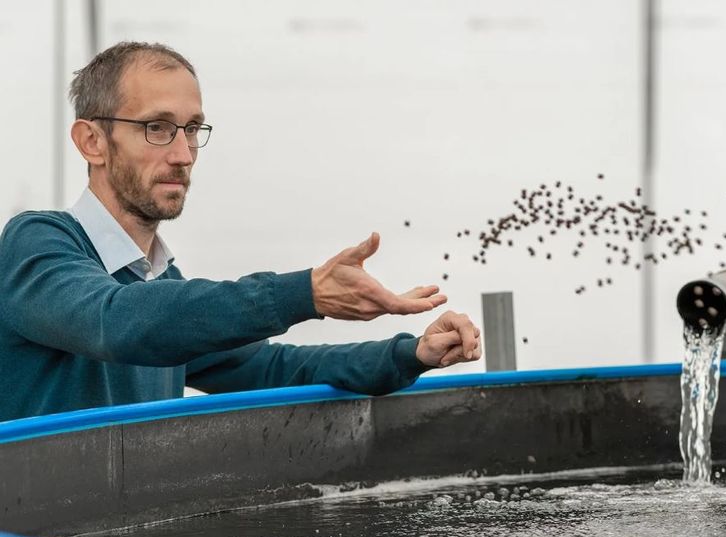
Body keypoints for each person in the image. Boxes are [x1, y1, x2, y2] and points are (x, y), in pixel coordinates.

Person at [0, 41, 481, 422]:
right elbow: (117, 323)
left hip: (118, 535)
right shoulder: (36, 244)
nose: (184, 154)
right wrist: (303, 293)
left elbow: (272, 369)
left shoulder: (163, 287)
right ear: (92, 142)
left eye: (192, 129)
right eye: (157, 128)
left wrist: (411, 354)